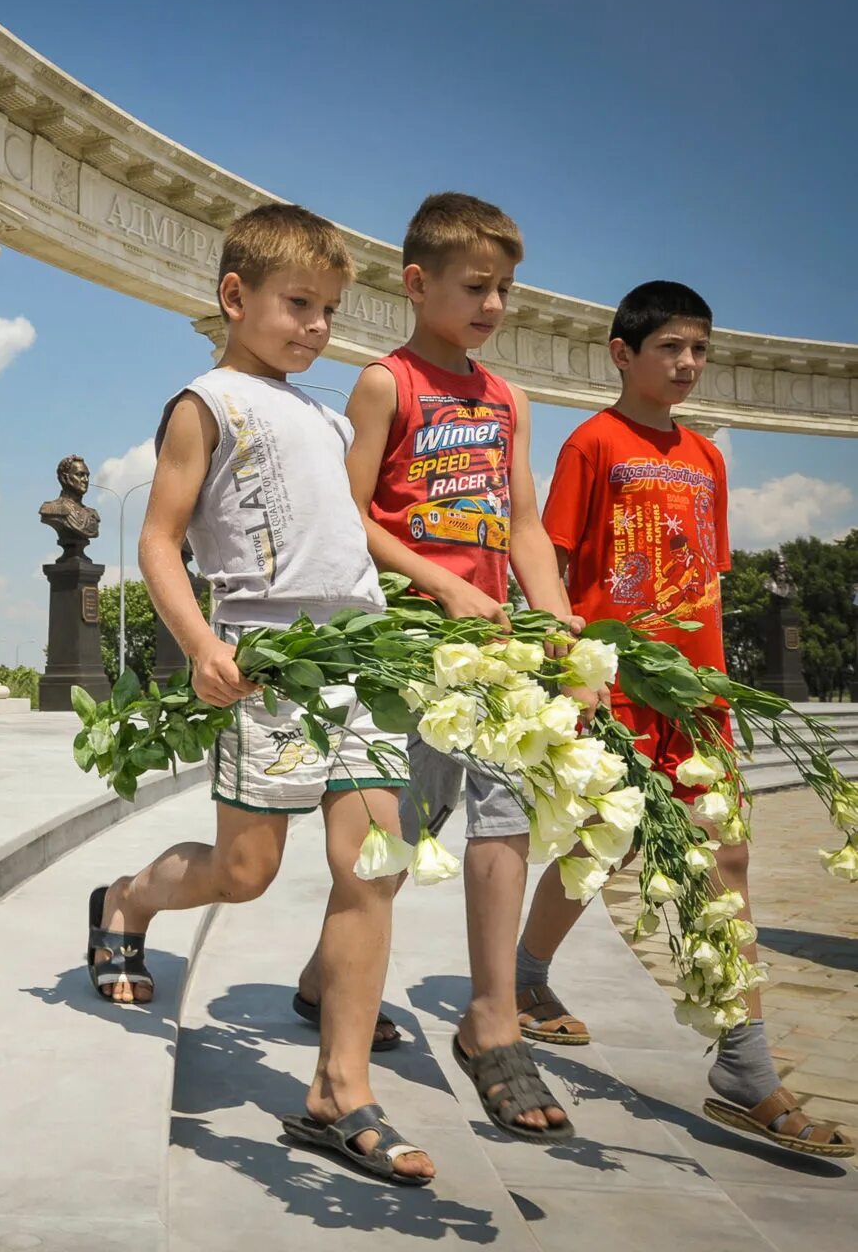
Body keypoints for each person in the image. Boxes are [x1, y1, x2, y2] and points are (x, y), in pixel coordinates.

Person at [86, 203, 433, 1185]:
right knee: (244, 873)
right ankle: (124, 901)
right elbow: (159, 537)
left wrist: (442, 593)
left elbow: (354, 535)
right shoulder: (205, 404)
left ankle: (339, 1092)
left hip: (360, 661)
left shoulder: (327, 420)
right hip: (271, 667)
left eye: (328, 310)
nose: (315, 328)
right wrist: (199, 641)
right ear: (234, 297)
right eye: (296, 304)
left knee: (377, 860)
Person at [514, 281, 853, 1157]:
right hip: (617, 691)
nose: (689, 364)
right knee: (605, 843)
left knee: (729, 854)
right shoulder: (593, 443)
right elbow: (547, 562)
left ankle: (743, 1066)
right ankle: (523, 977)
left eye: (699, 349)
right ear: (624, 354)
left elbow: (706, 577)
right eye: (671, 347)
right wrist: (567, 666)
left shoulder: (707, 456)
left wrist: (711, 677)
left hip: (696, 693)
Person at [294, 192, 578, 1143]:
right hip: (408, 647)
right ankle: (328, 974)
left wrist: (561, 621)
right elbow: (352, 515)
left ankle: (492, 1019)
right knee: (404, 827)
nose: (494, 305)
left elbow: (525, 525)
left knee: (503, 809)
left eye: (505, 289)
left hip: (497, 653)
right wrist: (438, 584)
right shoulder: (387, 383)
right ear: (419, 284)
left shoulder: (510, 399)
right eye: (475, 286)